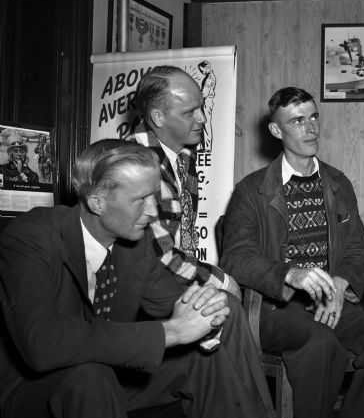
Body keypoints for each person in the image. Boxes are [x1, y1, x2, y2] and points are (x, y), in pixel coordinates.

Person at [0, 139, 275, 418]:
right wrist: (173, 331)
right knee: (90, 376)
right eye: (139, 200)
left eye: (153, 197)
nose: (153, 212)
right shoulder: (30, 236)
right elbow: (42, 343)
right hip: (38, 389)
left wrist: (205, 315)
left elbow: (174, 303)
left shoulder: (137, 244)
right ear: (97, 202)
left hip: (111, 376)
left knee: (202, 357)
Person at [220, 87, 364, 418]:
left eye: (314, 117)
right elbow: (236, 258)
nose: (311, 128)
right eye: (297, 121)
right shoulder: (251, 190)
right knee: (322, 346)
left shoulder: (338, 183)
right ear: (277, 131)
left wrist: (340, 285)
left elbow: (359, 250)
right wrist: (290, 274)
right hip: (274, 308)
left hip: (329, 302)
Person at [132, 65, 240, 297]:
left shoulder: (183, 155)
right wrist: (222, 282)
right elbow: (161, 256)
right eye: (189, 112)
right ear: (158, 117)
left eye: (201, 106)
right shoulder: (136, 166)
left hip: (176, 278)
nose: (202, 117)